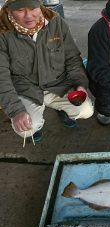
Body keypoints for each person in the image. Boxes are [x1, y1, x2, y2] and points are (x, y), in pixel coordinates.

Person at [0, 0, 94, 143]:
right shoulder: (3, 32)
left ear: (40, 5)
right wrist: (16, 110)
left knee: (86, 110)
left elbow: (72, 58)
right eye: (20, 10)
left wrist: (80, 83)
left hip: (58, 85)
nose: (28, 16)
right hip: (26, 89)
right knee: (27, 129)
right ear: (9, 10)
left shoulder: (56, 22)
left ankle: (61, 108)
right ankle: (37, 125)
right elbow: (2, 76)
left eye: (33, 8)